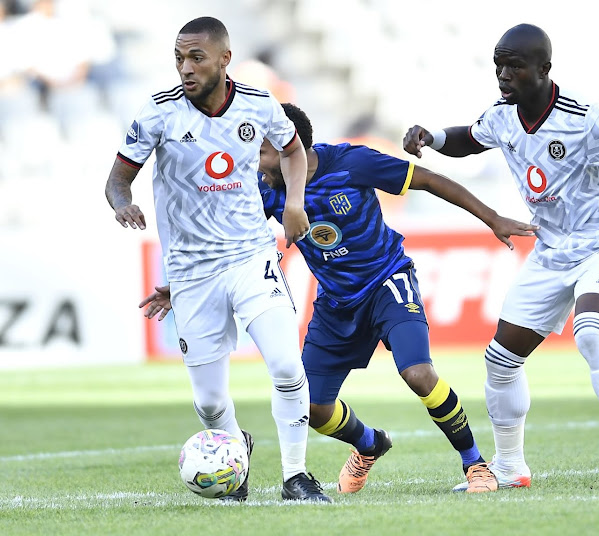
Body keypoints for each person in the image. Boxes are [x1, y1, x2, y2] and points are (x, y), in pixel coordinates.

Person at [140, 102, 539, 494]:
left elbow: (430, 180)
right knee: (310, 408)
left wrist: (493, 218)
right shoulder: (264, 189)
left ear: (286, 147)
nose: (254, 162)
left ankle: (475, 463)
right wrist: (182, 286)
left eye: (260, 152)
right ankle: (368, 444)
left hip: (387, 282)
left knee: (417, 373)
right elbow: (232, 243)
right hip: (335, 302)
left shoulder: (352, 163)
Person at [403, 23, 599, 490]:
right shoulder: (504, 114)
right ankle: (510, 467)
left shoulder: (586, 117)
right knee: (500, 360)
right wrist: (430, 136)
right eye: (499, 65)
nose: (504, 75)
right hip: (552, 251)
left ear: (543, 69)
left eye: (514, 66)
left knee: (591, 334)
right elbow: (469, 139)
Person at [104, 16, 330, 503]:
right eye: (180, 58)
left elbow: (293, 152)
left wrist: (294, 203)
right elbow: (117, 178)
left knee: (288, 366)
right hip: (190, 271)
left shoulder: (258, 104)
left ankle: (296, 476)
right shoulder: (158, 113)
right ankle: (236, 457)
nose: (185, 67)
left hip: (250, 255)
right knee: (208, 402)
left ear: (224, 59)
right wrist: (123, 202)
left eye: (196, 58)